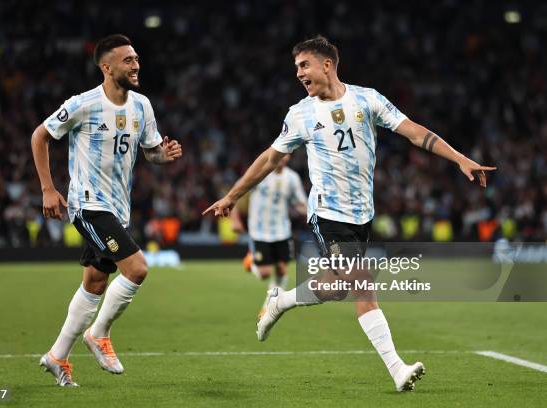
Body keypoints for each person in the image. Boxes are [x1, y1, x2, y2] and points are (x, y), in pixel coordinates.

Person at [203, 35, 496, 392]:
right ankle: (397, 368)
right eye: (296, 68)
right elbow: (270, 159)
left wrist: (460, 158)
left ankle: (280, 301)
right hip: (328, 211)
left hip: (362, 214)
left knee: (334, 287)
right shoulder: (300, 114)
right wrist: (232, 196)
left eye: (304, 65)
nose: (298, 74)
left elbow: (415, 133)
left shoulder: (367, 99)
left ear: (327, 65)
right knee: (361, 283)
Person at [31, 34, 182, 386]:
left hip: (117, 209)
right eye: (128, 60)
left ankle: (57, 356)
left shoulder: (142, 106)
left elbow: (151, 151)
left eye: (137, 59)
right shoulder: (83, 104)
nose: (136, 65)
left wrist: (165, 155)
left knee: (96, 282)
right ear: (107, 67)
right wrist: (48, 189)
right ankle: (99, 333)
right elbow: (40, 135)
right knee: (138, 269)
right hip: (88, 204)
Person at [230, 154, 307, 317]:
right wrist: (235, 220)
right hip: (259, 231)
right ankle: (251, 262)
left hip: (282, 231)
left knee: (281, 269)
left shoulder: (292, 178)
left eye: (286, 154)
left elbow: (300, 203)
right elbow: (236, 192)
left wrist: (312, 215)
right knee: (264, 273)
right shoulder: (260, 173)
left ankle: (268, 306)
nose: (283, 157)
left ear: (289, 157)